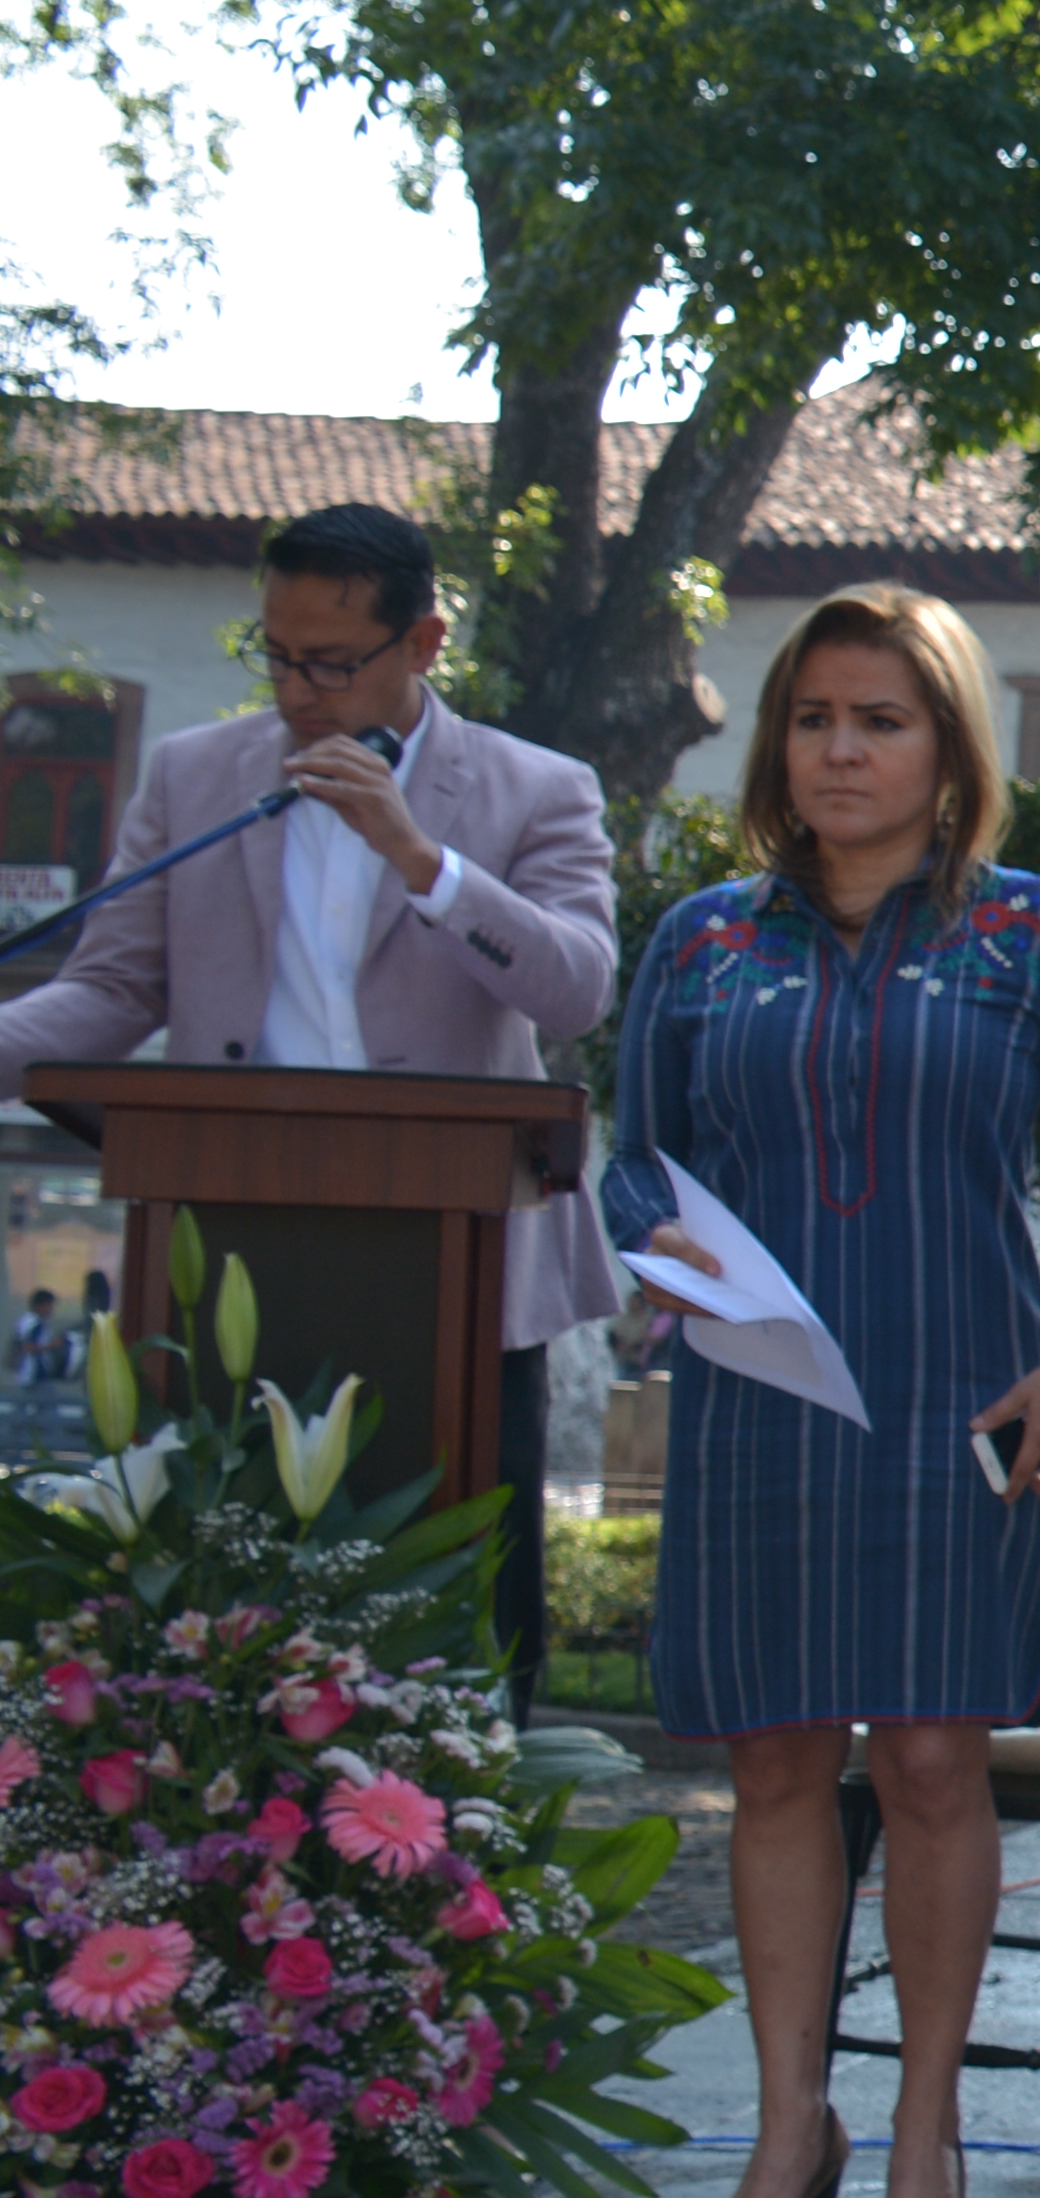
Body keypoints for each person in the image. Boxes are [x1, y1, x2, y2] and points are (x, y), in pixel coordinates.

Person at [603, 586, 1040, 2198]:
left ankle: (923, 2125)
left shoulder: (1039, 936)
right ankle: (786, 2127)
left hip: (970, 1407)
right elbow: (635, 1159)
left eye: (881, 720)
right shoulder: (697, 942)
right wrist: (656, 1248)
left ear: (948, 748)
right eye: (816, 718)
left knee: (925, 1761)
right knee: (771, 1760)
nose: (841, 748)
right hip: (758, 1405)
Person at [0, 502, 615, 1686]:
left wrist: (420, 858)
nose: (297, 691)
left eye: (332, 663)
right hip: (228, 1249)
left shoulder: (538, 790)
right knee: (226, 1622)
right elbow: (111, 992)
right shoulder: (195, 776)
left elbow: (577, 989)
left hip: (465, 1269)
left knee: (469, 1629)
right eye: (275, 655)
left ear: (424, 643)